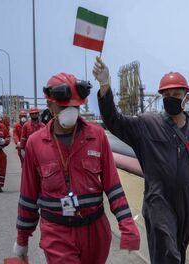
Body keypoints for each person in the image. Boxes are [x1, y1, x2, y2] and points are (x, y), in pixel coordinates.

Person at [94, 57, 189, 263]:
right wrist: (104, 86)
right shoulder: (147, 124)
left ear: (186, 98)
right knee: (167, 252)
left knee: (178, 251)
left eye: (176, 94)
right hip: (159, 201)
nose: (171, 98)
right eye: (167, 95)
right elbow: (113, 121)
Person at [14, 73, 140, 263]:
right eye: (64, 106)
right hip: (57, 232)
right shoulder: (35, 143)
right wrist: (22, 240)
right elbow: (28, 196)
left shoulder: (96, 136)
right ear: (49, 105)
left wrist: (126, 222)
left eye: (75, 106)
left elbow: (112, 185)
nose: (71, 111)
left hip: (95, 231)